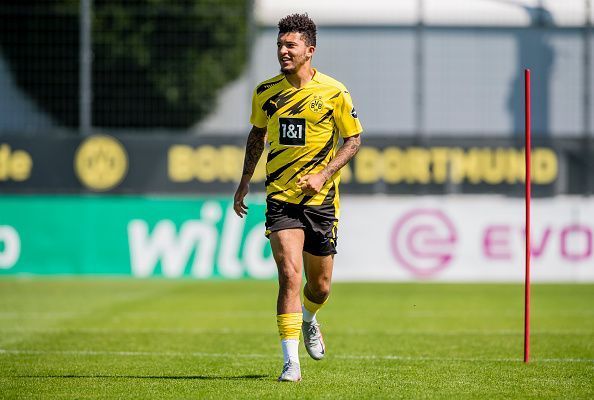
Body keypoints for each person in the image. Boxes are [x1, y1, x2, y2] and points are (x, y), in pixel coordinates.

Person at [233, 13, 362, 382]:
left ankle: (309, 318)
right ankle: (291, 363)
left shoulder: (334, 92)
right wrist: (244, 182)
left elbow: (353, 140)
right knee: (289, 275)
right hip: (281, 198)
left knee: (318, 287)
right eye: (279, 45)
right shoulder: (265, 92)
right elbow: (257, 137)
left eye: (290, 45)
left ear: (310, 50)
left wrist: (323, 174)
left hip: (320, 202)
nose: (283, 51)